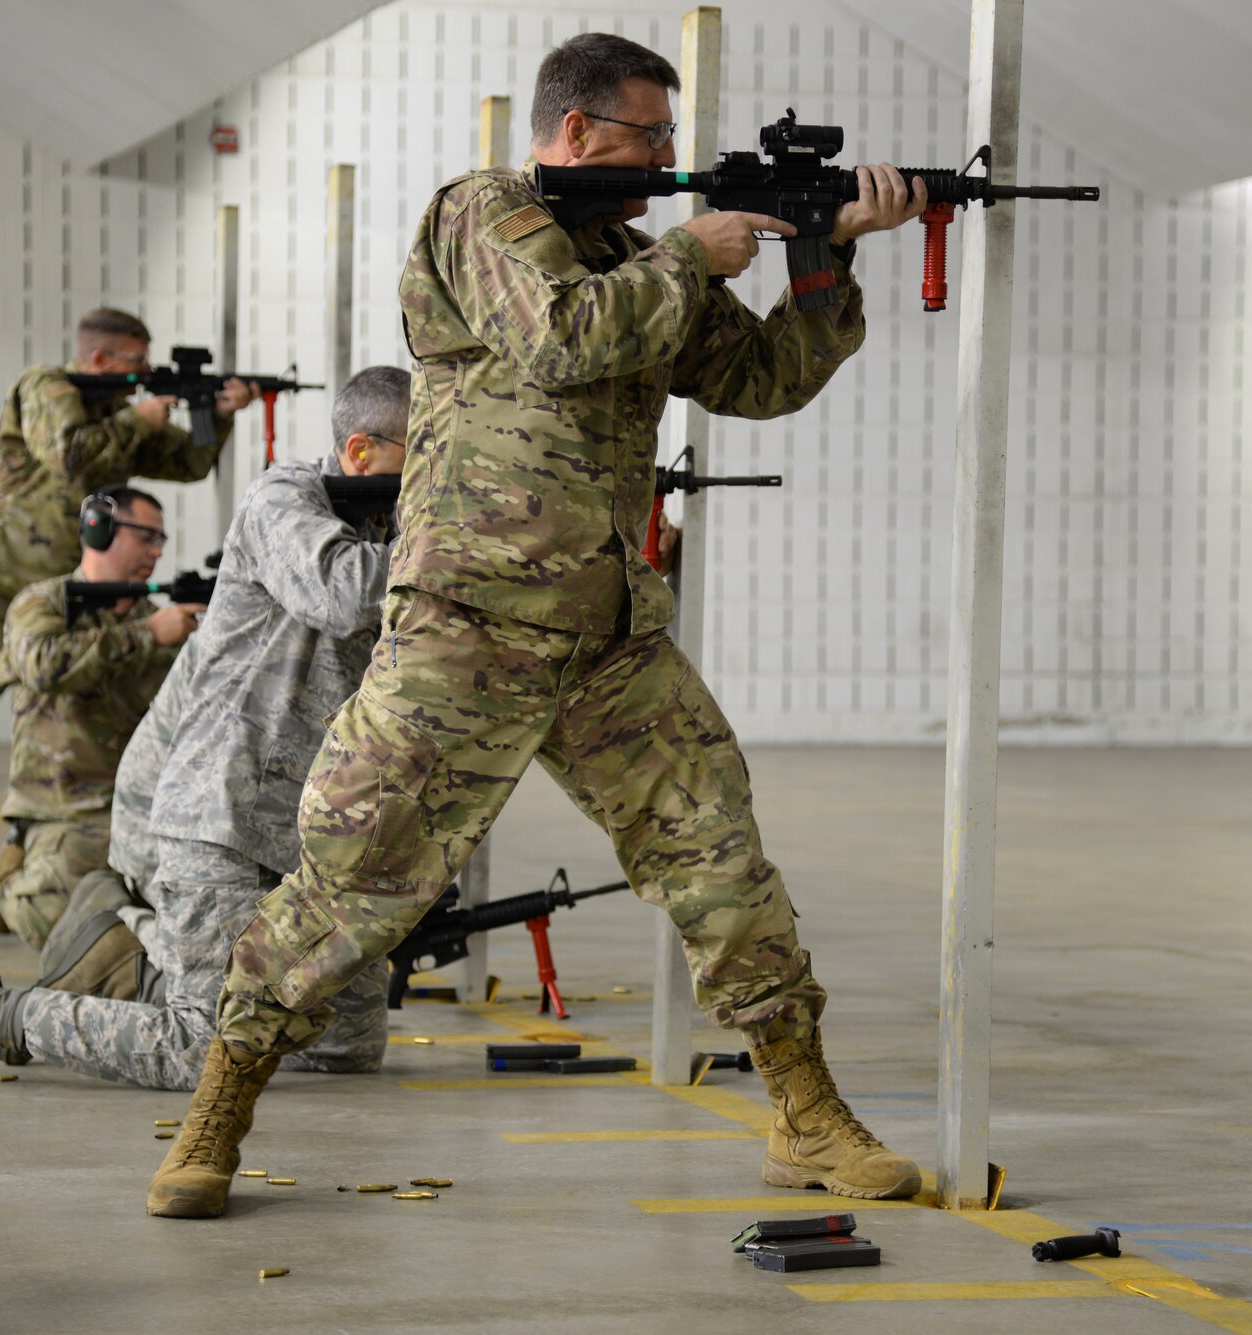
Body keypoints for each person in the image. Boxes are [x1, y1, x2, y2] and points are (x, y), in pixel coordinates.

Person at [133, 32, 930, 1218]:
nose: (669, 156)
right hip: (466, 627)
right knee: (349, 879)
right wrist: (687, 254)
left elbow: (762, 379)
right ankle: (216, 1115)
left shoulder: (631, 253)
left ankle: (806, 1117)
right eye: (652, 135)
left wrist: (819, 256)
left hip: (605, 637)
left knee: (721, 866)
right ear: (576, 133)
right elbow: (556, 335)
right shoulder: (482, 211)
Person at [0, 368, 410, 1091]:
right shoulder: (285, 498)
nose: (437, 473)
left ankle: (135, 962)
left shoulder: (392, 527)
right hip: (221, 817)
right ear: (361, 453)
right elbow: (343, 592)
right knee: (200, 1050)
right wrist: (462, 542)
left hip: (312, 835)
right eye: (422, 452)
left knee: (345, 1047)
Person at [0, 308, 256, 907]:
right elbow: (72, 455)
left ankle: (18, 860)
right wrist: (136, 416)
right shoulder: (49, 388)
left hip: (62, 601)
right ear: (99, 361)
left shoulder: (114, 418)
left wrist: (216, 417)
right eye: (135, 363)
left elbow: (186, 464)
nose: (146, 374)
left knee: (59, 738)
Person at [0, 485, 201, 950]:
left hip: (137, 809)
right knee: (66, 925)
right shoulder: (42, 604)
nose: (156, 551)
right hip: (63, 806)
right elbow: (44, 665)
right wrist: (146, 635)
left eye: (160, 540)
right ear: (99, 532)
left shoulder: (157, 619)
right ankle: (7, 888)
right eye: (146, 537)